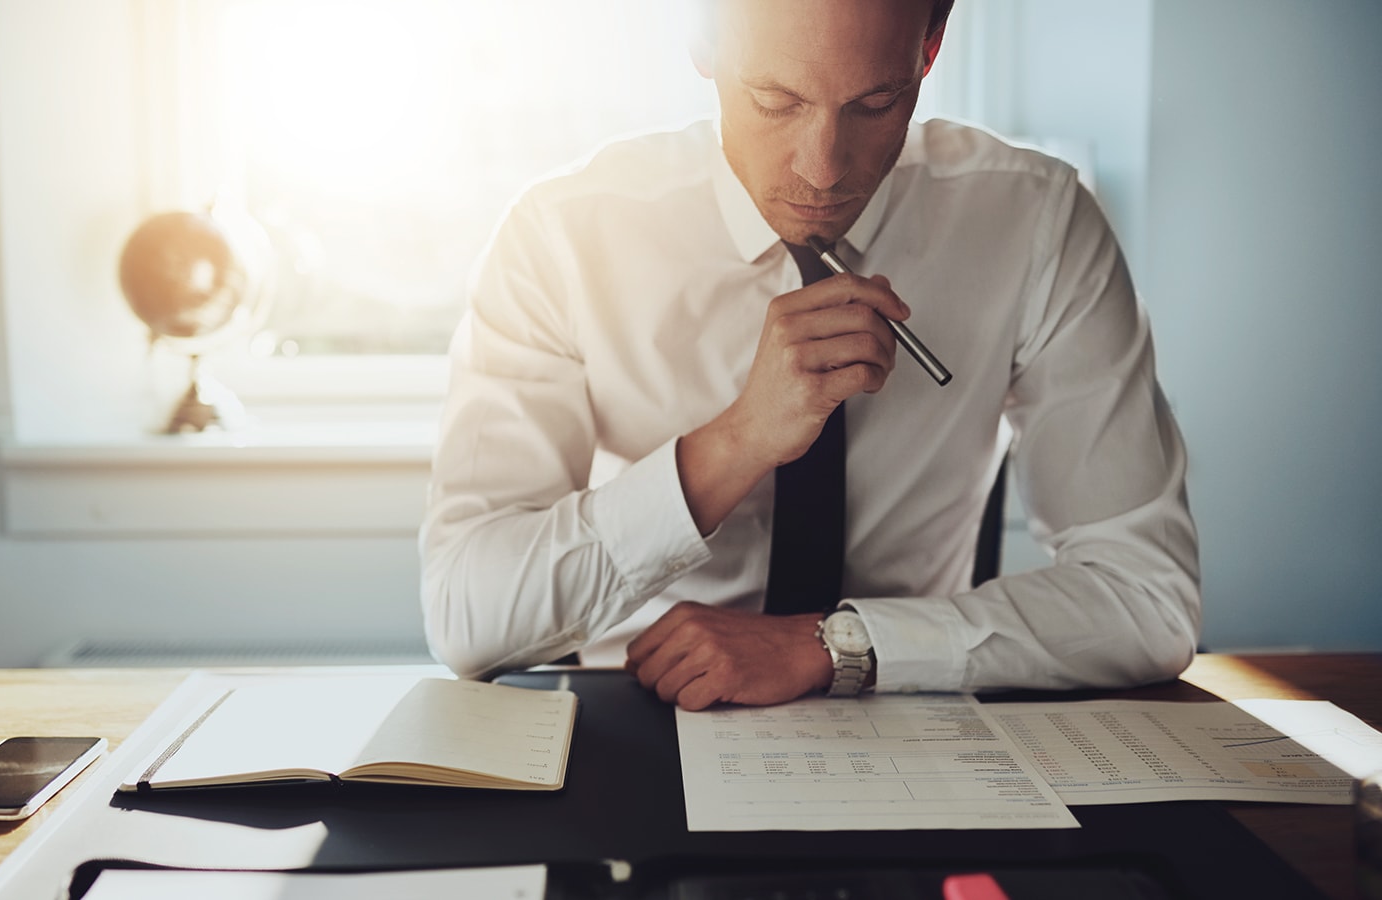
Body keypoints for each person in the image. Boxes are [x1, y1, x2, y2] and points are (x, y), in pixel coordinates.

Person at [419, 0, 1200, 710]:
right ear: (702, 40)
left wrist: (837, 646)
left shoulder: (1038, 221)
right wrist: (737, 443)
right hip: (642, 717)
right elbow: (468, 614)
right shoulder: (562, 236)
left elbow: (1148, 602)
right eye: (775, 102)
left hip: (916, 716)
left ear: (930, 48)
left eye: (876, 103)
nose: (822, 170)